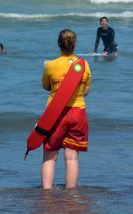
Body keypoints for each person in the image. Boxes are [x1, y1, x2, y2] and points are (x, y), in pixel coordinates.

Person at [41, 29, 91, 189]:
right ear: (75, 43)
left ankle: (46, 195)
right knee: (71, 158)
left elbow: (46, 86)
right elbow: (86, 91)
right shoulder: (84, 65)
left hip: (55, 113)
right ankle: (71, 196)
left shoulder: (50, 65)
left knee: (50, 156)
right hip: (78, 112)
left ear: (58, 43)